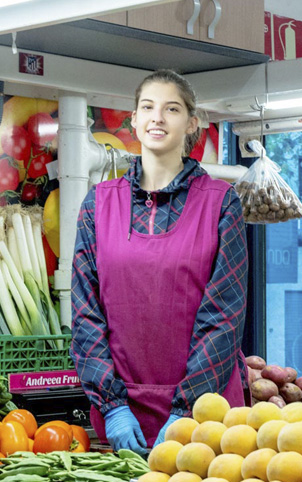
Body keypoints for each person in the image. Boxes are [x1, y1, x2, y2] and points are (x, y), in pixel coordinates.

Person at [71, 69, 248, 455]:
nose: (157, 118)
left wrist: (187, 409)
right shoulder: (97, 204)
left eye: (172, 109)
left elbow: (223, 317)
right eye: (147, 107)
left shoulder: (221, 203)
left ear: (191, 124)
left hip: (206, 416)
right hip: (120, 415)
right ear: (133, 120)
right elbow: (85, 314)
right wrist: (112, 404)